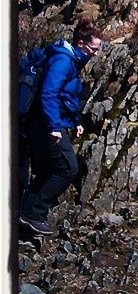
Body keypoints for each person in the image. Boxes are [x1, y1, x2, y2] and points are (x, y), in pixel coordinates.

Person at [20, 19, 103, 236]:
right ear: (81, 43)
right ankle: (32, 212)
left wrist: (74, 122)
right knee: (68, 168)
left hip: (46, 123)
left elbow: (66, 96)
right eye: (93, 49)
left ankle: (26, 214)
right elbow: (49, 93)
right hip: (45, 125)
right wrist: (54, 127)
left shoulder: (71, 62)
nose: (95, 54)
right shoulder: (63, 61)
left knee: (48, 170)